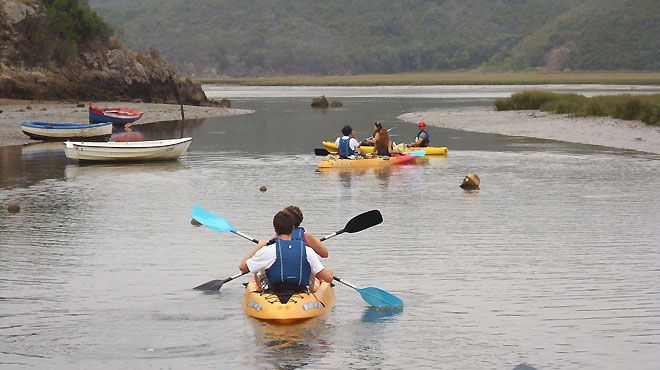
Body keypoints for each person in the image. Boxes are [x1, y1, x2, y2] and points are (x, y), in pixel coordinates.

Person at [239, 211, 333, 293]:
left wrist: (259, 246)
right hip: (300, 290)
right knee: (311, 270)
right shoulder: (307, 251)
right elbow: (328, 278)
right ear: (292, 228)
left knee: (258, 270)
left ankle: (261, 292)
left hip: (274, 290)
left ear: (275, 229)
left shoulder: (267, 250)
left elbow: (243, 267)